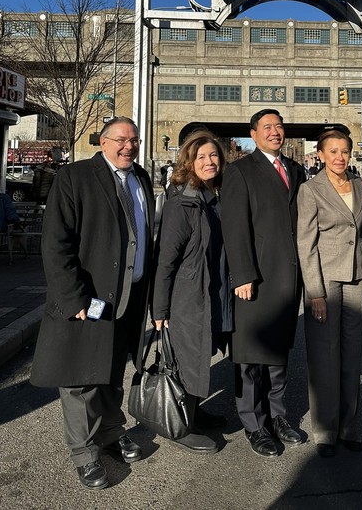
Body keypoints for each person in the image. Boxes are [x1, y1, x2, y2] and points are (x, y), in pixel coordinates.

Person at [30, 117, 155, 490]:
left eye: (134, 140)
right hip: (90, 299)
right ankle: (84, 453)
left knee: (111, 372)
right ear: (103, 142)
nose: (128, 147)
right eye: (120, 140)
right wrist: (74, 299)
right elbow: (56, 244)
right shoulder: (76, 177)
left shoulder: (141, 178)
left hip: (129, 299)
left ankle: (111, 433)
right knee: (80, 380)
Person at [220, 109, 306, 458]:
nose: (275, 132)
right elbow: (235, 227)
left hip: (287, 276)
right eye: (267, 127)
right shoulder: (240, 171)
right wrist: (242, 274)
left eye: (279, 126)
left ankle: (278, 417)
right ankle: (254, 425)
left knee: (277, 354)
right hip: (254, 278)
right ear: (253, 134)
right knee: (250, 356)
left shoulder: (296, 171)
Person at [152, 131, 232, 454]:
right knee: (184, 362)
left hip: (211, 294)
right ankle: (180, 426)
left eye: (213, 156)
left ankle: (194, 413)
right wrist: (159, 311)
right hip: (187, 298)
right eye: (201, 157)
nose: (209, 162)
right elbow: (165, 262)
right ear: (189, 162)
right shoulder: (181, 203)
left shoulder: (217, 197)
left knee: (201, 356)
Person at [297, 129, 362, 458]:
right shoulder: (310, 190)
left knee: (351, 356)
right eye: (333, 151)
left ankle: (348, 426)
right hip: (326, 281)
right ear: (321, 155)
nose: (340, 157)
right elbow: (306, 244)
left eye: (345, 151)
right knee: (325, 358)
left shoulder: (357, 185)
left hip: (358, 278)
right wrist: (315, 292)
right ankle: (325, 431)